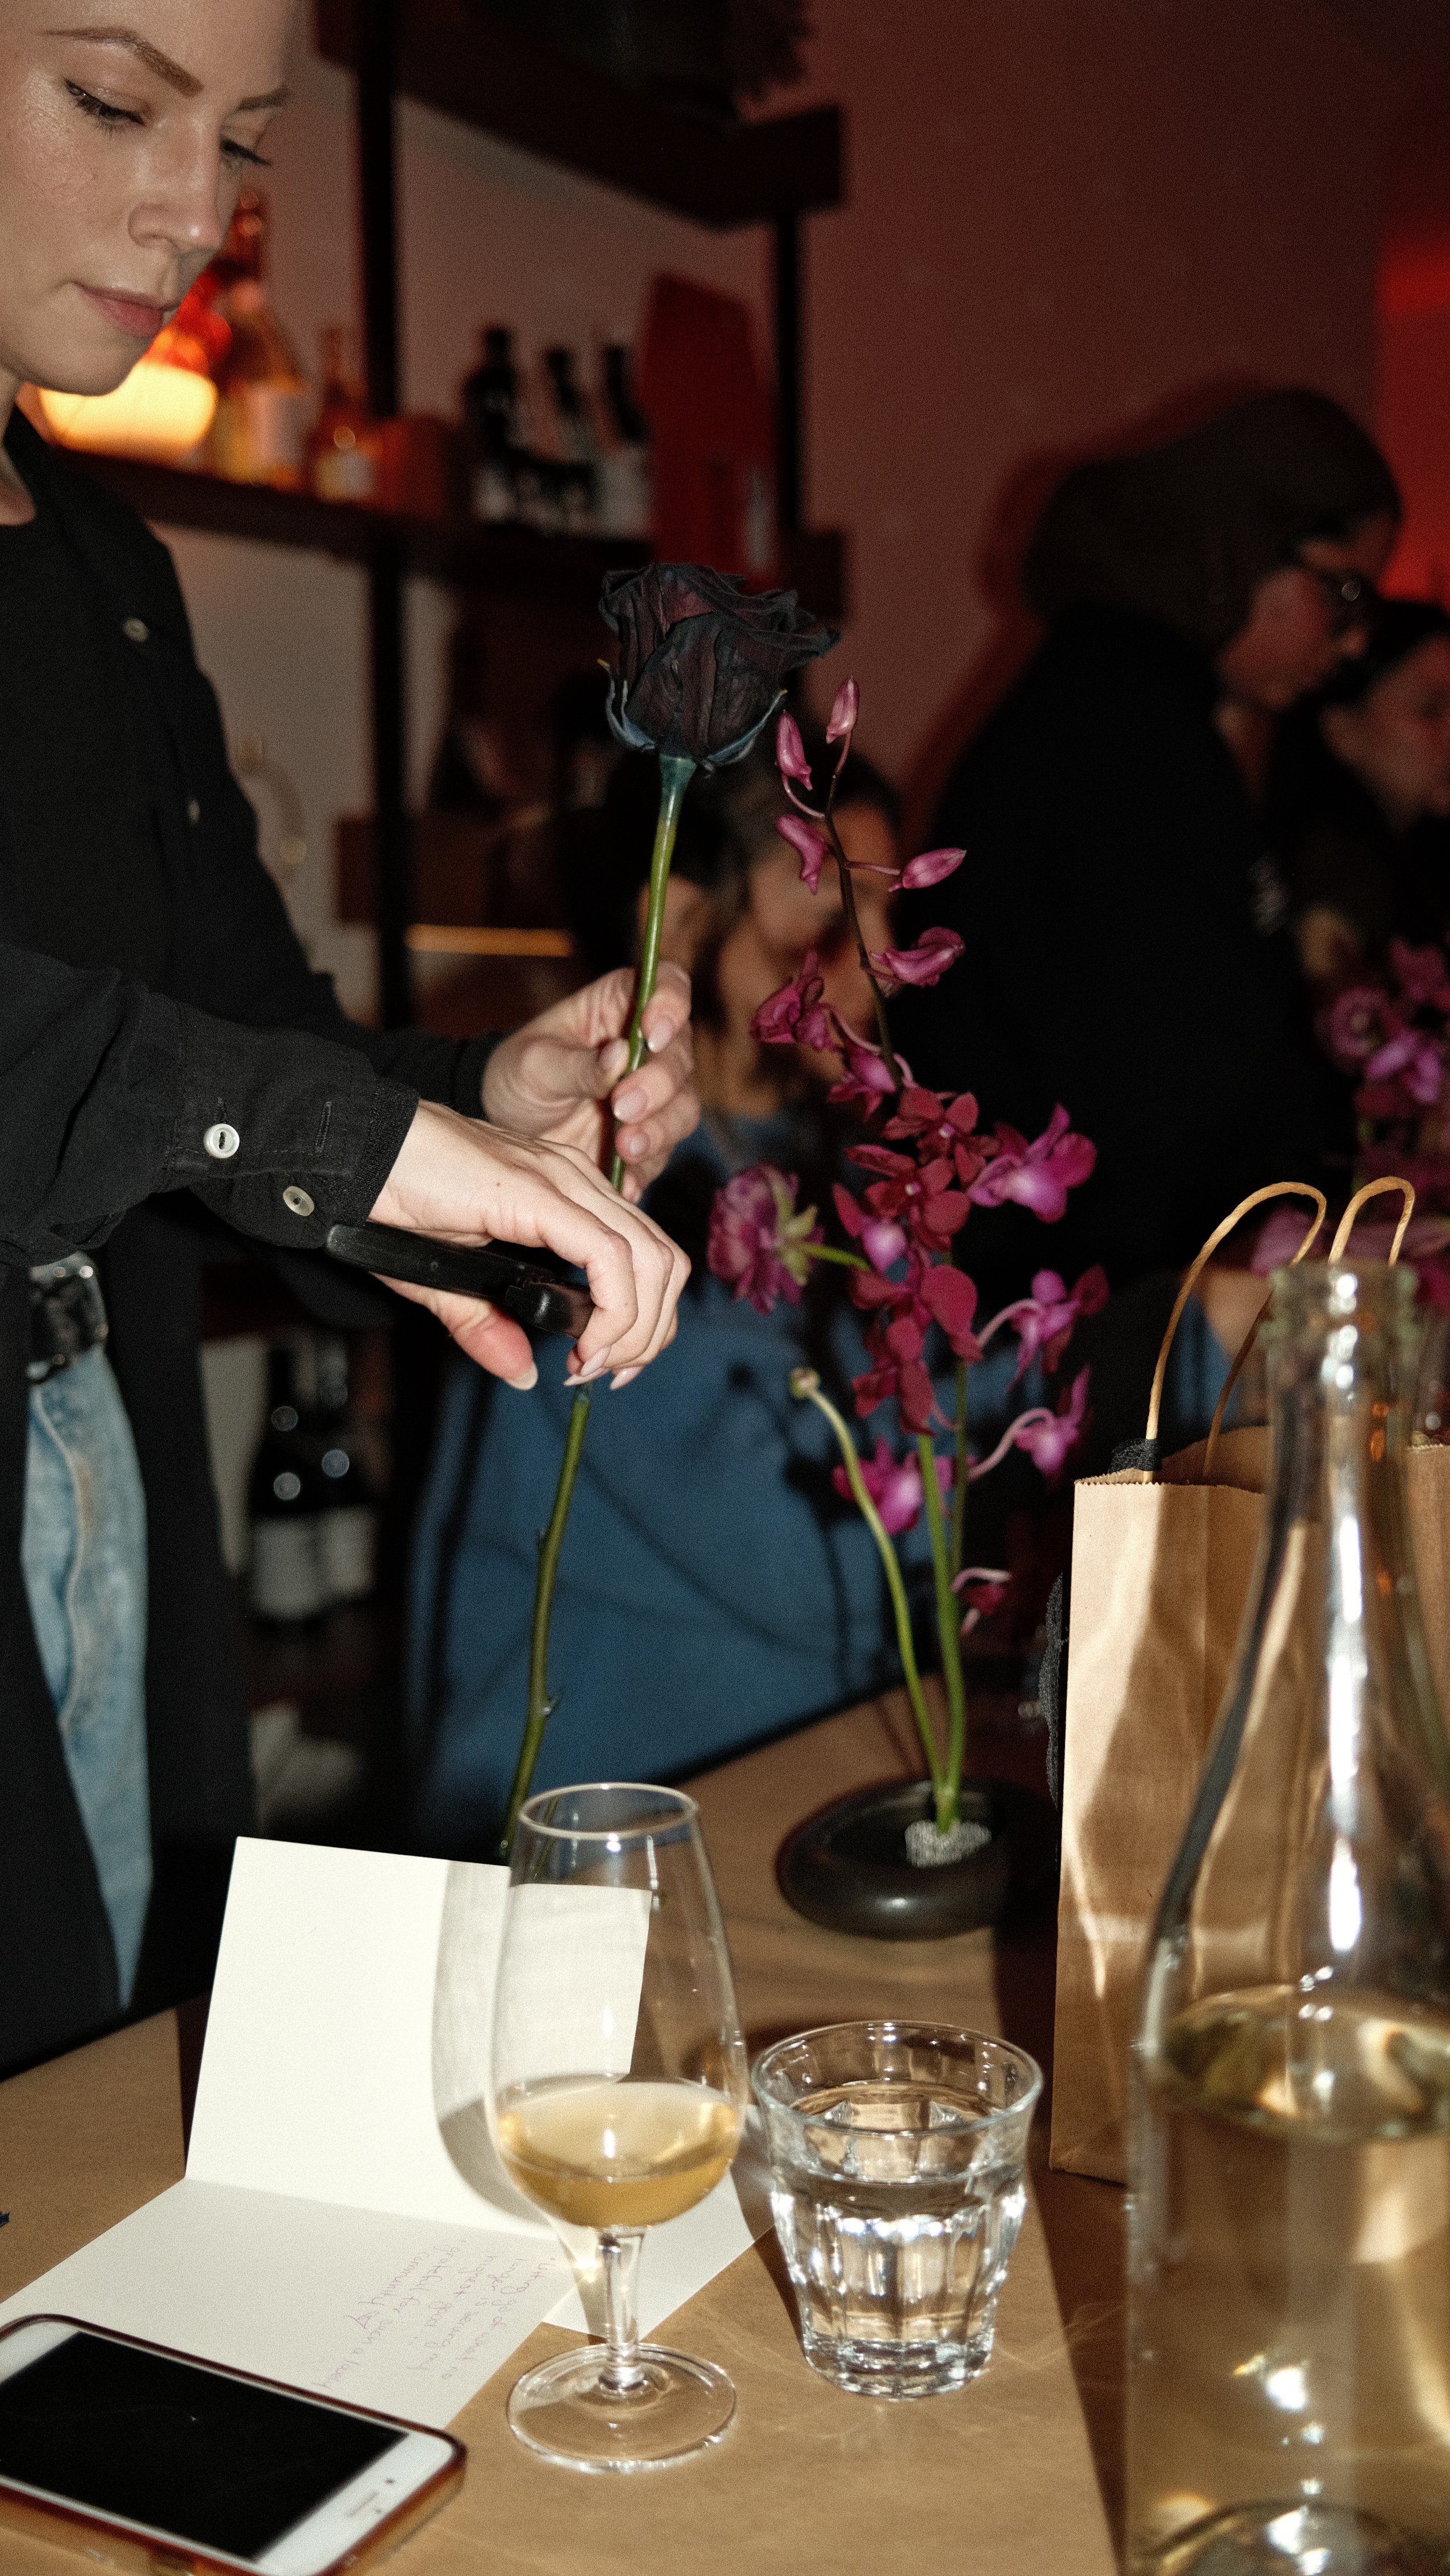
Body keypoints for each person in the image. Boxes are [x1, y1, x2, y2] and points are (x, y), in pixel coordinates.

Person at [0, 0, 696, 2073]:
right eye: (114, 100)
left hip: (98, 1455)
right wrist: (346, 1131)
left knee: (90, 2120)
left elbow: (226, 1041)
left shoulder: (110, 570)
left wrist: (471, 1107)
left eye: (245, 144)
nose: (190, 206)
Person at [407, 736, 1024, 1851]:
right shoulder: (582, 1216)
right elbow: (828, 1555)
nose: (878, 973)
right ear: (681, 923)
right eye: (831, 931)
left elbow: (928, 1404)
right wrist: (1128, 1374)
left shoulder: (824, 1163)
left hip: (793, 1801)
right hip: (595, 1856)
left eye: (885, 927)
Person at [892, 390, 1402, 1304]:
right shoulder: (1121, 723)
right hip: (1082, 1301)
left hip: (1070, 1273)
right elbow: (1179, 1070)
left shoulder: (1116, 698)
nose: (1355, 638)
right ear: (1242, 546)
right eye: (1344, 592)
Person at [1271, 598, 1450, 991]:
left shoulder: (1415, 861)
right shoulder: (1342, 869)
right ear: (1340, 730)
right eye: (1431, 711)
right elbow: (1346, 1033)